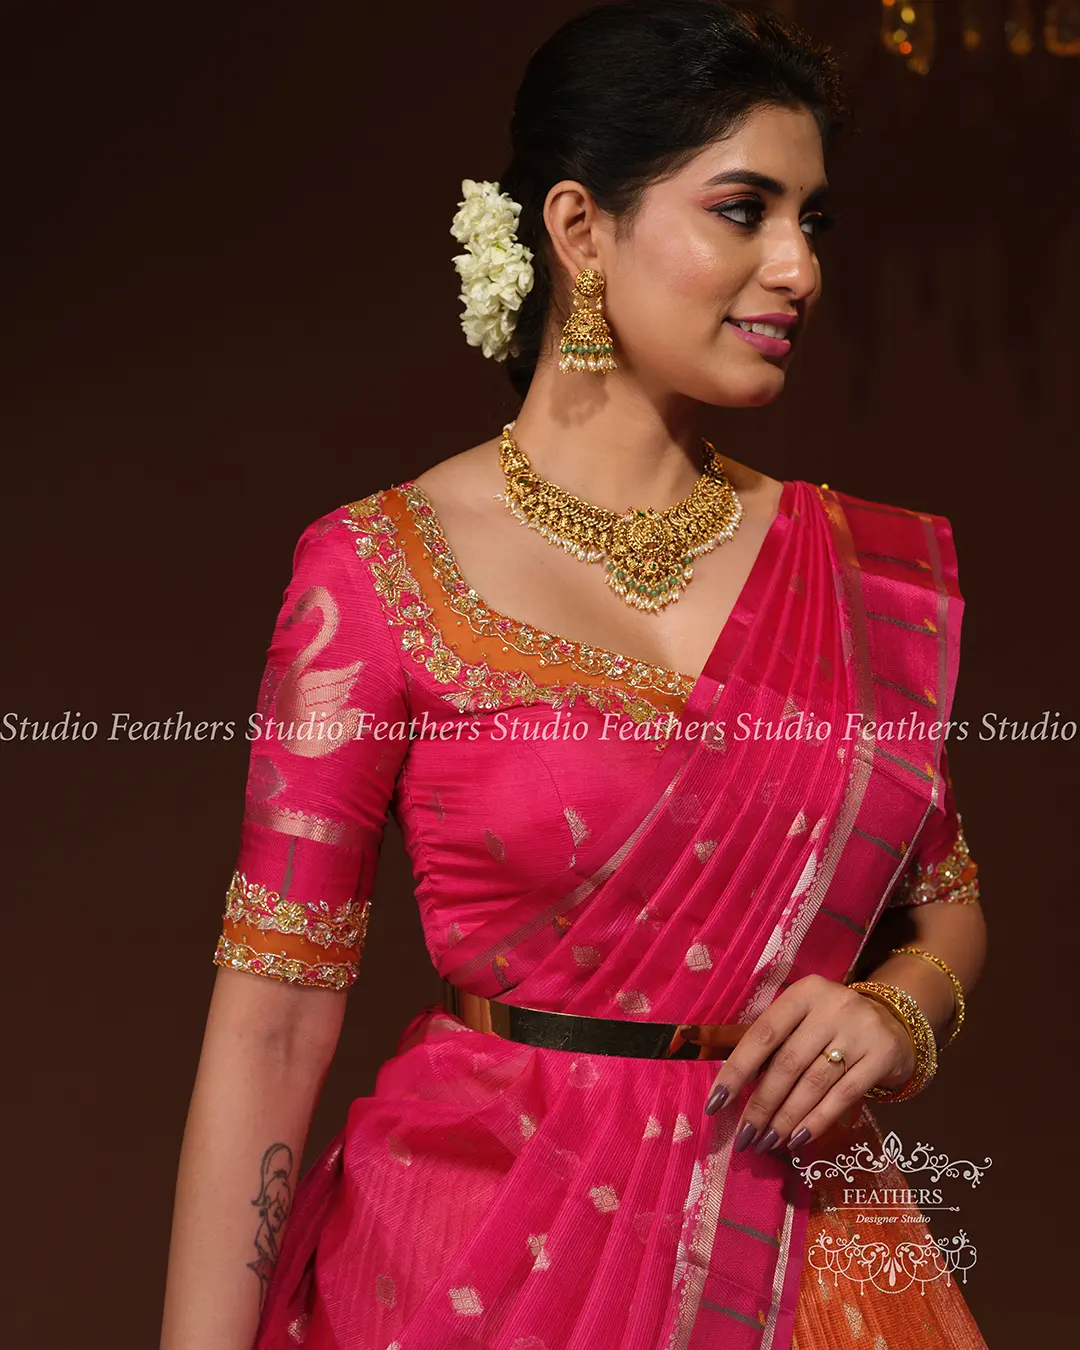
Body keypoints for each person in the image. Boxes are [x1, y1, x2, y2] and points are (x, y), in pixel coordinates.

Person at [159, 4, 990, 1348]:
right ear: (579, 229)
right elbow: (272, 1027)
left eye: (813, 221)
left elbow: (947, 908)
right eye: (743, 210)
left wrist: (900, 1010)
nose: (798, 267)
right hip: (478, 1255)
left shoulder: (854, 574)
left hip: (793, 1252)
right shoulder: (380, 572)